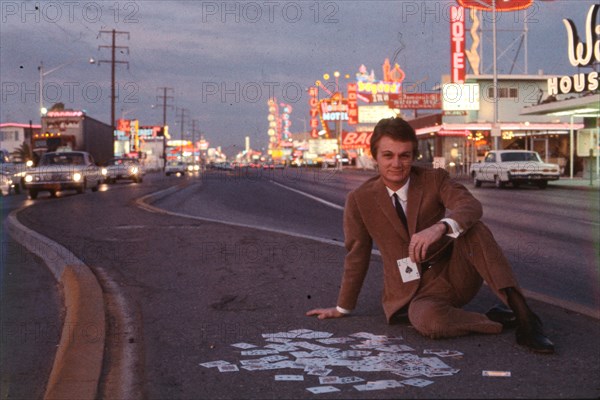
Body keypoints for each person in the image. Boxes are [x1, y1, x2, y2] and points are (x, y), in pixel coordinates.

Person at [306, 117, 554, 354]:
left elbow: (470, 206)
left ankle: (525, 317)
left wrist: (441, 226)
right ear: (375, 157)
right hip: (414, 293)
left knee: (473, 228)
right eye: (388, 155)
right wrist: (343, 307)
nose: (396, 163)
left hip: (454, 276)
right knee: (428, 322)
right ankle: (491, 319)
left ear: (414, 157)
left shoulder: (434, 179)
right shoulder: (359, 200)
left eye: (405, 156)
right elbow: (356, 255)